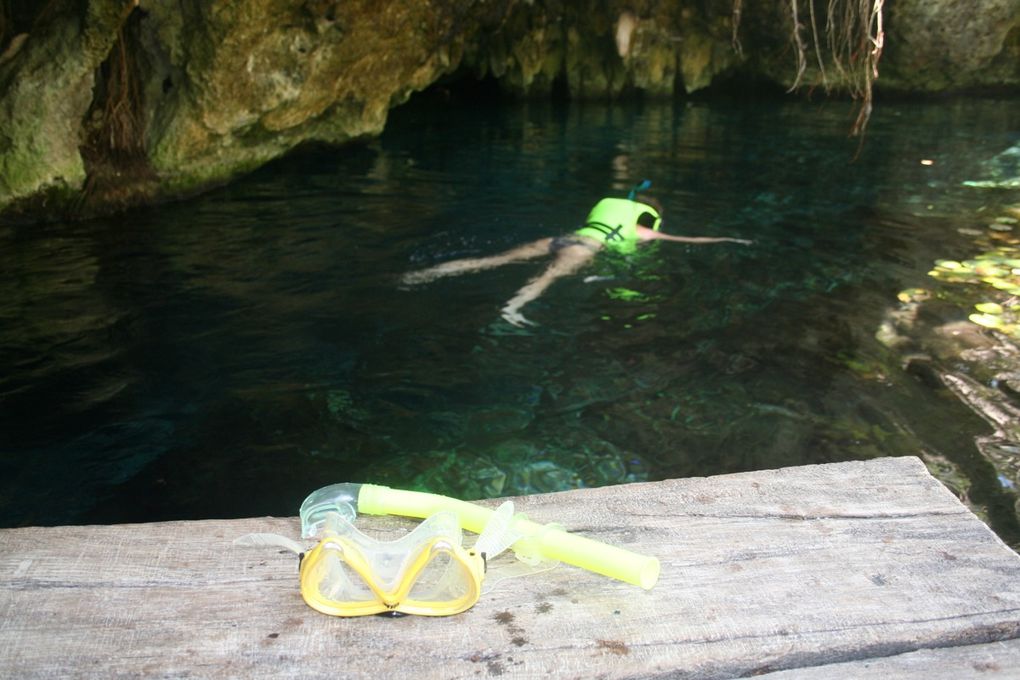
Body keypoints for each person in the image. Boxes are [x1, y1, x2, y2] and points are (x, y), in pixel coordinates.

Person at [401, 182, 752, 327]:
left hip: (562, 238)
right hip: (585, 250)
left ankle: (428, 274)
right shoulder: (645, 230)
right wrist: (728, 240)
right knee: (548, 277)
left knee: (493, 259)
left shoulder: (610, 209)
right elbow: (693, 238)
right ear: (651, 216)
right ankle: (513, 307)